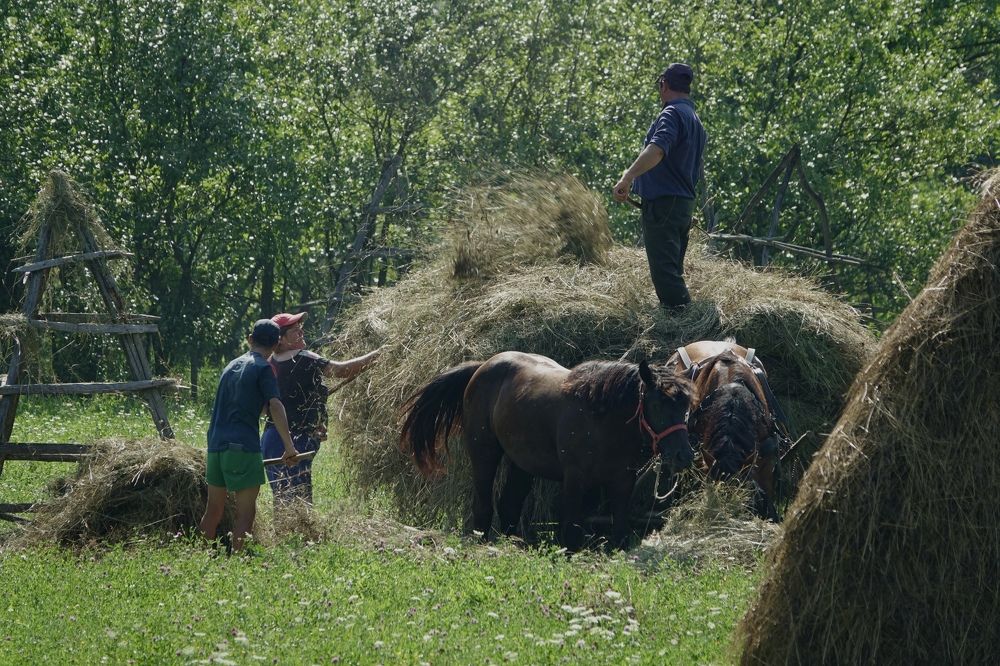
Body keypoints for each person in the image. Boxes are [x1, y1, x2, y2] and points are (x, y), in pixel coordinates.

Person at [260, 311, 380, 506]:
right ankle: (301, 534)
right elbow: (342, 370)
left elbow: (265, 407)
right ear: (280, 339)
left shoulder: (267, 364)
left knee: (282, 497)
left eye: (300, 328)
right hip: (296, 439)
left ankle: (286, 534)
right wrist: (376, 355)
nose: (301, 331)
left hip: (272, 438)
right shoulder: (305, 357)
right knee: (300, 498)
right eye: (294, 330)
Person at [613, 62, 707, 310]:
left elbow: (657, 150)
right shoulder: (694, 119)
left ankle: (687, 325)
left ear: (664, 84)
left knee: (666, 276)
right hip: (682, 205)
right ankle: (680, 321)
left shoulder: (672, 114)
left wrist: (628, 176)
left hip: (665, 205)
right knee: (673, 270)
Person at [200, 319, 298, 553]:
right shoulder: (264, 368)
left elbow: (247, 403)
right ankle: (239, 563)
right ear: (276, 345)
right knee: (246, 512)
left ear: (250, 339)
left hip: (215, 447)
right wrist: (289, 447)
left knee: (213, 510)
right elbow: (274, 405)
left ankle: (198, 559)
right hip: (242, 447)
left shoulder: (230, 366)